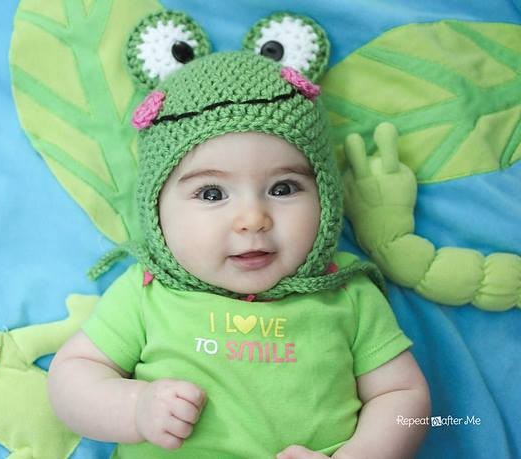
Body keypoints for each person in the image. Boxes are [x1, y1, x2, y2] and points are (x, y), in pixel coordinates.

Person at [48, 12, 430, 459]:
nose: (253, 218)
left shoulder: (345, 291)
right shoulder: (149, 292)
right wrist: (135, 407)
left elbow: (407, 402)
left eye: (283, 188)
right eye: (212, 193)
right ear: (156, 209)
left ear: (326, 196)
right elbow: (71, 377)